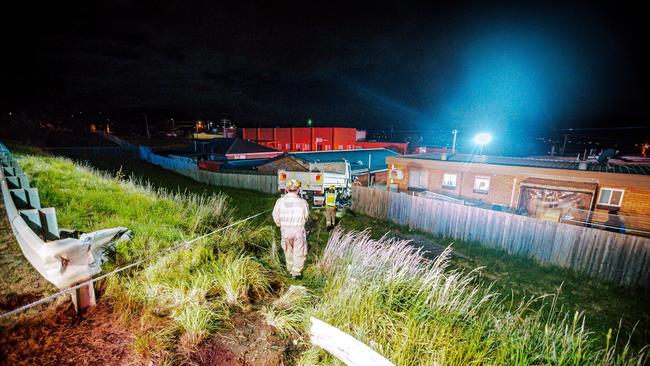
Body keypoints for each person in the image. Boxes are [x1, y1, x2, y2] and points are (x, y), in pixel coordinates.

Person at [272, 179, 309, 278]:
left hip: (285, 231)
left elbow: (275, 216)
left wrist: (279, 224)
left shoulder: (280, 201)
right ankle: (296, 273)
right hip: (298, 230)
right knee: (299, 251)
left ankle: (289, 269)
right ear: (298, 190)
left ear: (287, 189)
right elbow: (306, 217)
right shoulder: (303, 202)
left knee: (288, 250)